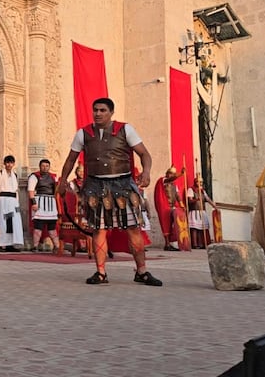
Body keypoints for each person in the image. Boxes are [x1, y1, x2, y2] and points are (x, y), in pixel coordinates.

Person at [57, 97, 163, 286]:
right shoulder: (83, 133)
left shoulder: (125, 129)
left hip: (123, 185)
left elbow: (144, 154)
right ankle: (100, 272)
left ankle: (142, 271)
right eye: (95, 110)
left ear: (111, 112)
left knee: (133, 229)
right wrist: (63, 181)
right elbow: (70, 159)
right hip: (96, 187)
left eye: (102, 110)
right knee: (100, 229)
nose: (98, 113)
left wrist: (146, 172)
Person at [0, 155, 23, 252]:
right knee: (2, 222)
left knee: (13, 222)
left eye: (11, 163)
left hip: (12, 202)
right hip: (3, 201)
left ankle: (10, 244)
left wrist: (17, 204)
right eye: (7, 162)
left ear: (13, 164)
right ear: (4, 164)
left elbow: (16, 191)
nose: (9, 165)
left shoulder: (14, 175)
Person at [154, 167, 189, 251]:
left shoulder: (174, 184)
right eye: (171, 174)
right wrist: (180, 174)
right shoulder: (163, 180)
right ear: (167, 173)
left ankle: (173, 242)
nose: (172, 175)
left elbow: (177, 195)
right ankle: (167, 244)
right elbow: (170, 179)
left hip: (172, 206)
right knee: (165, 224)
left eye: (173, 174)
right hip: (164, 206)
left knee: (173, 224)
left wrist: (181, 204)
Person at [28, 159, 59, 252]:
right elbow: (31, 190)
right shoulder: (34, 176)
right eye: (43, 166)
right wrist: (33, 203)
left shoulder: (53, 177)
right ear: (40, 166)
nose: (45, 168)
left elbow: (56, 190)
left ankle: (57, 246)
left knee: (52, 227)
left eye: (47, 166)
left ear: (49, 167)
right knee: (38, 226)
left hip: (51, 204)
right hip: (39, 202)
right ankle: (35, 246)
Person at [187, 175, 215, 250]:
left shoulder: (202, 190)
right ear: (195, 182)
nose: (200, 184)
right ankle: (194, 244)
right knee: (195, 229)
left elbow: (208, 199)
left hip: (202, 211)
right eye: (199, 182)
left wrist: (214, 206)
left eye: (201, 182)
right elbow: (189, 201)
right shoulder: (191, 189)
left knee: (201, 228)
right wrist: (197, 199)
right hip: (194, 211)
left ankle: (201, 243)